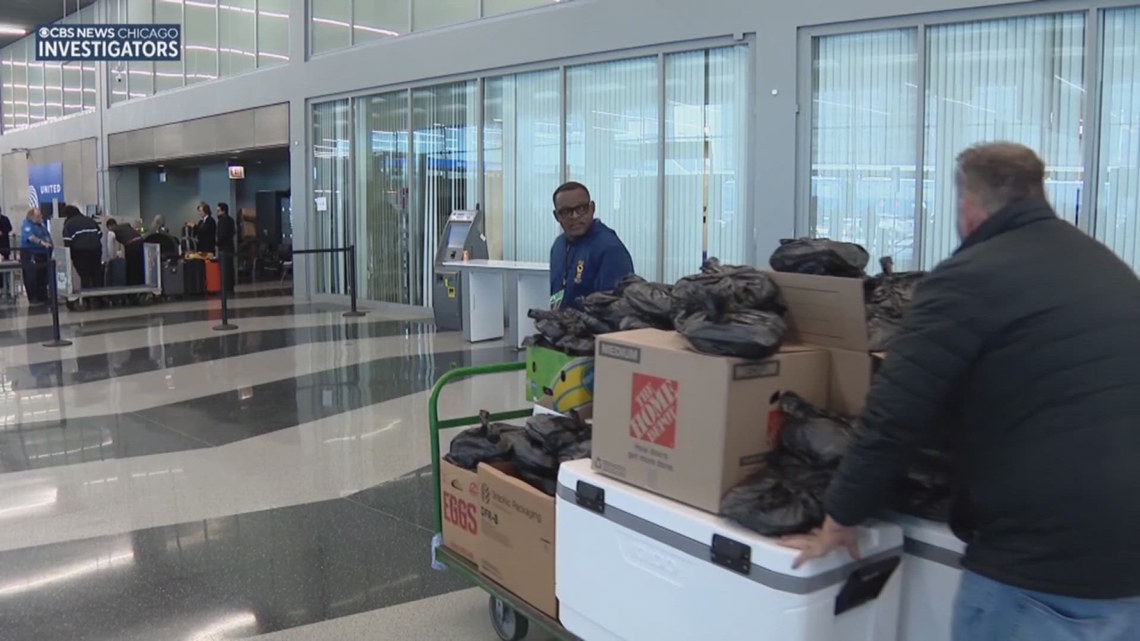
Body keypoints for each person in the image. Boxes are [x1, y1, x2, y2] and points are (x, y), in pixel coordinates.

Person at [783, 143, 1140, 640]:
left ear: (968, 206)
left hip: (1039, 565)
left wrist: (841, 516)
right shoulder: (1105, 267)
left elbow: (893, 414)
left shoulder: (970, 278)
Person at [548, 181, 635, 311]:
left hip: (595, 330)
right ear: (556, 216)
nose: (575, 216)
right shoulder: (558, 246)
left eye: (581, 209)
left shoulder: (610, 249)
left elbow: (617, 310)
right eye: (566, 212)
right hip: (562, 326)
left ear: (592, 208)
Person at [61, 204, 104, 289]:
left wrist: (71, 257)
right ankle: (99, 297)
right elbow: (100, 234)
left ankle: (86, 298)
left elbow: (67, 243)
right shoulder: (90, 220)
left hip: (80, 252)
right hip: (96, 250)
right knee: (96, 274)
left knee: (84, 276)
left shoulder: (69, 224)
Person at [19, 207, 52, 304]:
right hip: (31, 253)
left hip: (43, 254)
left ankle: (43, 296)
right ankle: (33, 298)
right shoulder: (27, 225)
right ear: (32, 217)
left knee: (43, 276)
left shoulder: (41, 225)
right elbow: (30, 237)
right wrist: (42, 243)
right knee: (32, 276)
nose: (40, 217)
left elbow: (47, 236)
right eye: (38, 216)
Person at [105, 218, 145, 286]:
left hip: (131, 245)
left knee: (131, 267)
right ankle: (141, 286)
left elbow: (110, 246)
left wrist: (111, 258)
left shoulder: (111, 231)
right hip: (141, 242)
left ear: (109, 226)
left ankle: (131, 289)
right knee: (140, 266)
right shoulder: (126, 226)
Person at [215, 202, 236, 293]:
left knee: (224, 269)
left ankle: (226, 287)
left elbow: (222, 235)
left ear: (223, 211)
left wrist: (217, 243)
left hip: (224, 248)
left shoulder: (222, 221)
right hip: (230, 247)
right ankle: (230, 286)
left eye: (218, 211)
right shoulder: (231, 220)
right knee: (230, 268)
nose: (217, 213)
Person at [0, 207, 12, 299]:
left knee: (7, 268)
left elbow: (9, 228)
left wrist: (3, 232)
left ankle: (7, 287)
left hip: (4, 246)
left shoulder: (5, 219)